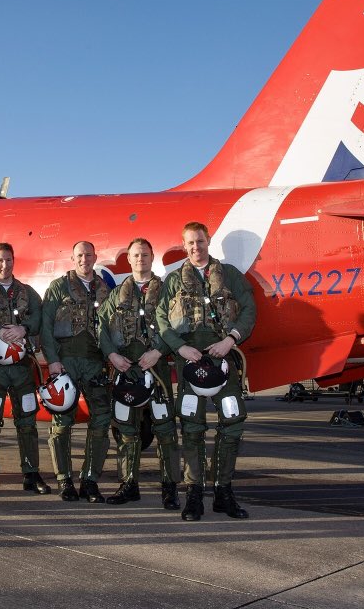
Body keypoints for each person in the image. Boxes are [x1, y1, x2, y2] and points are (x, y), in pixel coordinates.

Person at [156, 221, 256, 521]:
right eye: (190, 243)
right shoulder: (173, 281)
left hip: (224, 358)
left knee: (233, 423)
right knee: (191, 428)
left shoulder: (230, 276)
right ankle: (194, 494)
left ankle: (224, 492)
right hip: (191, 363)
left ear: (208, 240)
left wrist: (230, 339)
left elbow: (249, 309)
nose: (195, 247)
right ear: (183, 245)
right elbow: (162, 319)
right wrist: (180, 348)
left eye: (200, 241)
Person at [98, 238, 181, 509]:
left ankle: (170, 487)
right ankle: (128, 484)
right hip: (126, 370)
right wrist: (112, 355)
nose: (140, 259)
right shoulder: (117, 294)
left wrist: (158, 351)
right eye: (135, 255)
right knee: (127, 430)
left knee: (165, 429)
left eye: (145, 254)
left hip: (155, 368)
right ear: (129, 259)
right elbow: (101, 327)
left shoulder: (167, 289)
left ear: (152, 256)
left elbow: (178, 323)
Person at [0, 243, 50, 496]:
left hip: (23, 367)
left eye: (9, 260)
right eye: (0, 260)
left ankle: (31, 473)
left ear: (14, 262)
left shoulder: (27, 292)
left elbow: (39, 316)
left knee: (27, 420)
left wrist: (24, 329)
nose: (5, 265)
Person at [41, 241, 111, 502]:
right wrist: (53, 360)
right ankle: (64, 480)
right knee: (62, 422)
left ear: (95, 257)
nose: (85, 259)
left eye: (89, 255)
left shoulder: (104, 289)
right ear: (72, 258)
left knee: (102, 419)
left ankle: (90, 480)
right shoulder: (59, 287)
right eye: (80, 255)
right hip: (66, 361)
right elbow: (46, 326)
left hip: (95, 361)